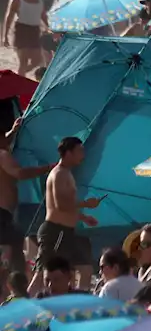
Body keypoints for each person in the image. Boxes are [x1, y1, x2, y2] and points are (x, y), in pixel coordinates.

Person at [37, 137, 99, 284]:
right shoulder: (59, 174)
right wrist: (86, 204)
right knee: (44, 274)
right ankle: (24, 305)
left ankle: (77, 301)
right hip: (56, 231)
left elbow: (66, 206)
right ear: (68, 153)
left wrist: (82, 218)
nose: (83, 155)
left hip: (67, 232)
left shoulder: (66, 173)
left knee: (85, 269)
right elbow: (60, 205)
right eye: (80, 151)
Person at [0, 118, 52, 271]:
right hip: (2, 215)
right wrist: (47, 168)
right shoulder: (3, 155)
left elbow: (4, 141)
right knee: (10, 257)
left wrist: (14, 131)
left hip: (5, 214)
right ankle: (9, 289)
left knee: (13, 254)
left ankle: (11, 287)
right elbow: (20, 173)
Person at [4, 0, 47, 76]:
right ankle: (19, 83)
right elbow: (9, 18)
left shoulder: (39, 0)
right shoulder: (17, 0)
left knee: (37, 60)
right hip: (21, 31)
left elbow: (43, 16)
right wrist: (5, 36)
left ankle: (17, 76)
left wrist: (49, 27)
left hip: (35, 31)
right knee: (23, 61)